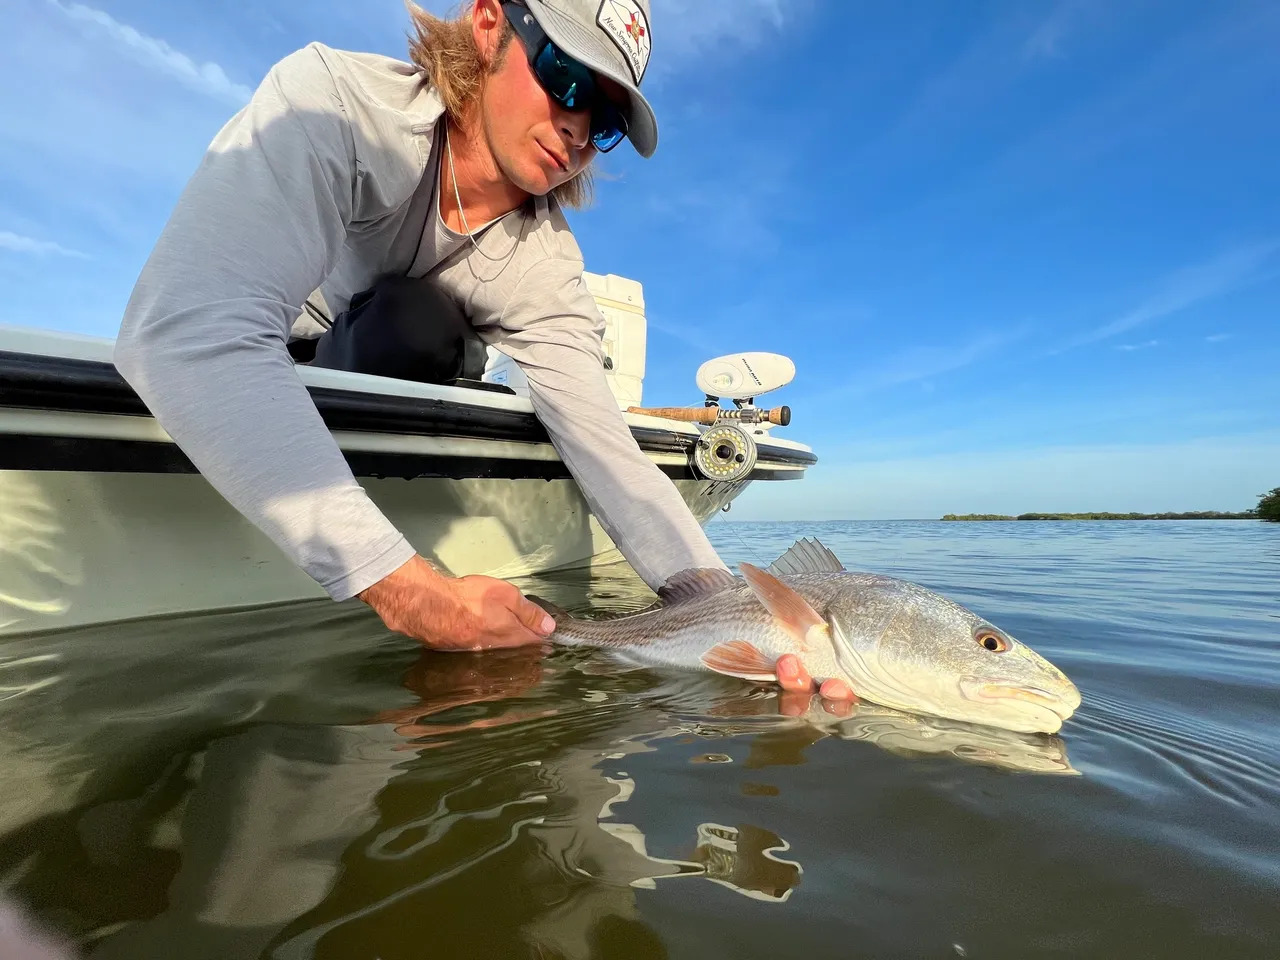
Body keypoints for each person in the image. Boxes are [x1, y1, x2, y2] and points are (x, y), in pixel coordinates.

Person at [113, 0, 851, 703]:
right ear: (490, 21)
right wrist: (411, 591)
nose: (576, 126)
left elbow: (609, 452)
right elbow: (188, 332)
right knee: (408, 319)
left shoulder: (547, 266)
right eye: (566, 77)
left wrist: (742, 617)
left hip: (393, 378)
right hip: (287, 358)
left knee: (423, 328)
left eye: (603, 120)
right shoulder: (334, 104)